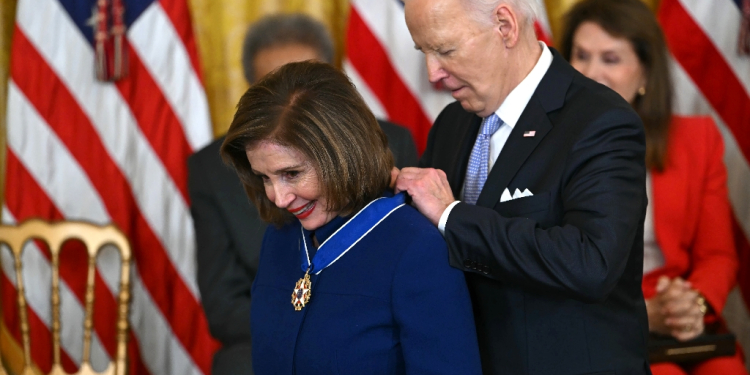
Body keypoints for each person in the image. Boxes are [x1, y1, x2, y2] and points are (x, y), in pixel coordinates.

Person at [395, 0, 651, 373]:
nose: (433, 73)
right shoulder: (452, 122)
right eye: (424, 52)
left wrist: (453, 216)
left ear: (505, 26)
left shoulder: (602, 121)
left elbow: (591, 262)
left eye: (445, 50)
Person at [187, 13, 418, 374]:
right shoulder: (213, 168)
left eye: (306, 89)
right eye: (275, 88)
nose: (291, 105)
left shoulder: (391, 142)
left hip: (370, 333)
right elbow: (223, 308)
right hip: (264, 336)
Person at [219, 61, 482, 374]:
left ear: (344, 153)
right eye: (264, 177)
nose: (279, 197)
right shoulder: (279, 238)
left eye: (291, 173)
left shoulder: (416, 250)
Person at [560, 0, 747, 374]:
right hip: (597, 321)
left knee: (726, 370)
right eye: (581, 56)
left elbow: (718, 256)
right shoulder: (547, 143)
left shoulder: (697, 139)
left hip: (679, 314)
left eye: (610, 59)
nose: (592, 73)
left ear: (645, 73)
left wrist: (690, 307)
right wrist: (641, 313)